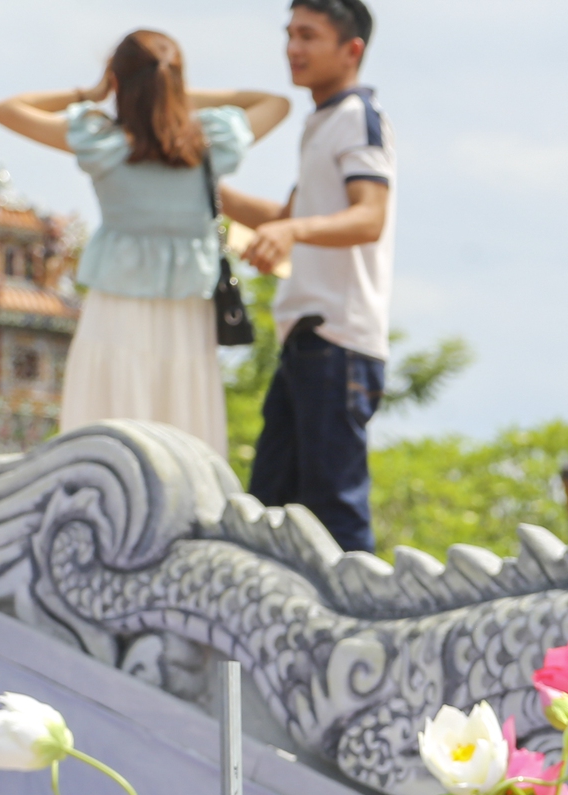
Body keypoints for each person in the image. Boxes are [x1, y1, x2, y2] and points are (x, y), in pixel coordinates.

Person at [0, 35, 288, 454]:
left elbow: (6, 110)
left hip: (116, 306)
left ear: (117, 81)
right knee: (184, 430)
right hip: (187, 310)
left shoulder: (104, 143)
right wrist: (173, 91)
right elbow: (274, 103)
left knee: (108, 425)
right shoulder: (206, 144)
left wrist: (91, 93)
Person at [218, 0, 394, 554]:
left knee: (334, 515)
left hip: (338, 338)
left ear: (352, 50)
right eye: (290, 34)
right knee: (271, 511)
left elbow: (370, 215)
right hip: (307, 340)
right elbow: (286, 217)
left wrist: (294, 234)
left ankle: (364, 638)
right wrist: (206, 188)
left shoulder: (358, 117)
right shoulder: (321, 120)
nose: (293, 48)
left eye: (309, 36)